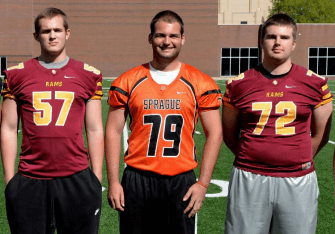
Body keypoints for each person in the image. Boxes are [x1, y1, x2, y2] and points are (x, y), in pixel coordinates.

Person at [105, 10, 223, 234]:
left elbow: (215, 134)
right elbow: (112, 131)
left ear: (182, 39)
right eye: (160, 35)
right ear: (151, 38)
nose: (167, 41)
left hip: (181, 180)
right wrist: (113, 181)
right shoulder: (128, 80)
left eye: (173, 36)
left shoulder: (200, 81)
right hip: (137, 178)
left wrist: (203, 183)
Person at [222, 13, 333, 234]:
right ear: (262, 41)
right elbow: (228, 134)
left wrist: (295, 157)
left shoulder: (315, 83)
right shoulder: (239, 84)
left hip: (297, 177)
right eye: (271, 36)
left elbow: (321, 135)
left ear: (294, 43)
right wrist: (253, 156)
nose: (277, 43)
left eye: (284, 37)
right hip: (249, 176)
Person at [1, 7, 104, 234]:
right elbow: (8, 127)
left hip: (76, 177)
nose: (52, 35)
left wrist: (96, 178)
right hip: (30, 178)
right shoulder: (17, 74)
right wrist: (10, 181)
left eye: (58, 30)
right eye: (46, 31)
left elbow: (95, 128)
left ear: (67, 33)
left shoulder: (88, 74)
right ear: (36, 36)